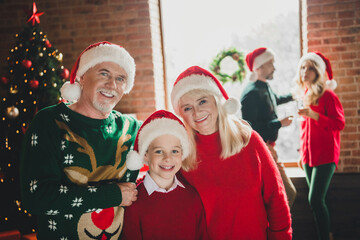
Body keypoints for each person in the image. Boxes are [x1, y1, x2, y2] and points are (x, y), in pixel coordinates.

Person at [20, 41, 142, 239]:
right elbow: (37, 197)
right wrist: (113, 195)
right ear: (82, 77)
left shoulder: (131, 128)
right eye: (104, 73)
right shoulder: (50, 122)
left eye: (121, 78)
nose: (112, 85)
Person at [170, 66, 292, 239]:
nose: (197, 112)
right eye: (187, 108)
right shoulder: (181, 154)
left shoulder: (249, 140)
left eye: (202, 101)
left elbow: (276, 199)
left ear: (217, 101)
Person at [121, 110, 209, 240]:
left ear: (182, 154)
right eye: (159, 151)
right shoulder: (134, 201)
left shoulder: (192, 197)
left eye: (174, 151)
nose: (168, 158)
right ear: (145, 154)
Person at [294, 51, 345, 240]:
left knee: (314, 199)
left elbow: (339, 124)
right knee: (318, 200)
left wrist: (315, 115)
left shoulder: (328, 96)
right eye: (302, 67)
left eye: (309, 68)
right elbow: (305, 130)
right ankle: (328, 234)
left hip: (326, 156)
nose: (304, 71)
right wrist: (302, 153)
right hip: (309, 156)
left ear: (317, 72)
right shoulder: (306, 94)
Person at [240, 47, 297, 207]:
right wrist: (280, 123)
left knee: (283, 196)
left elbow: (274, 99)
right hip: (262, 151)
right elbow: (252, 129)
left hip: (270, 149)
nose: (275, 67)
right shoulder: (251, 93)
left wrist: (293, 96)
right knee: (288, 193)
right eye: (271, 63)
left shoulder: (264, 87)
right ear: (259, 67)